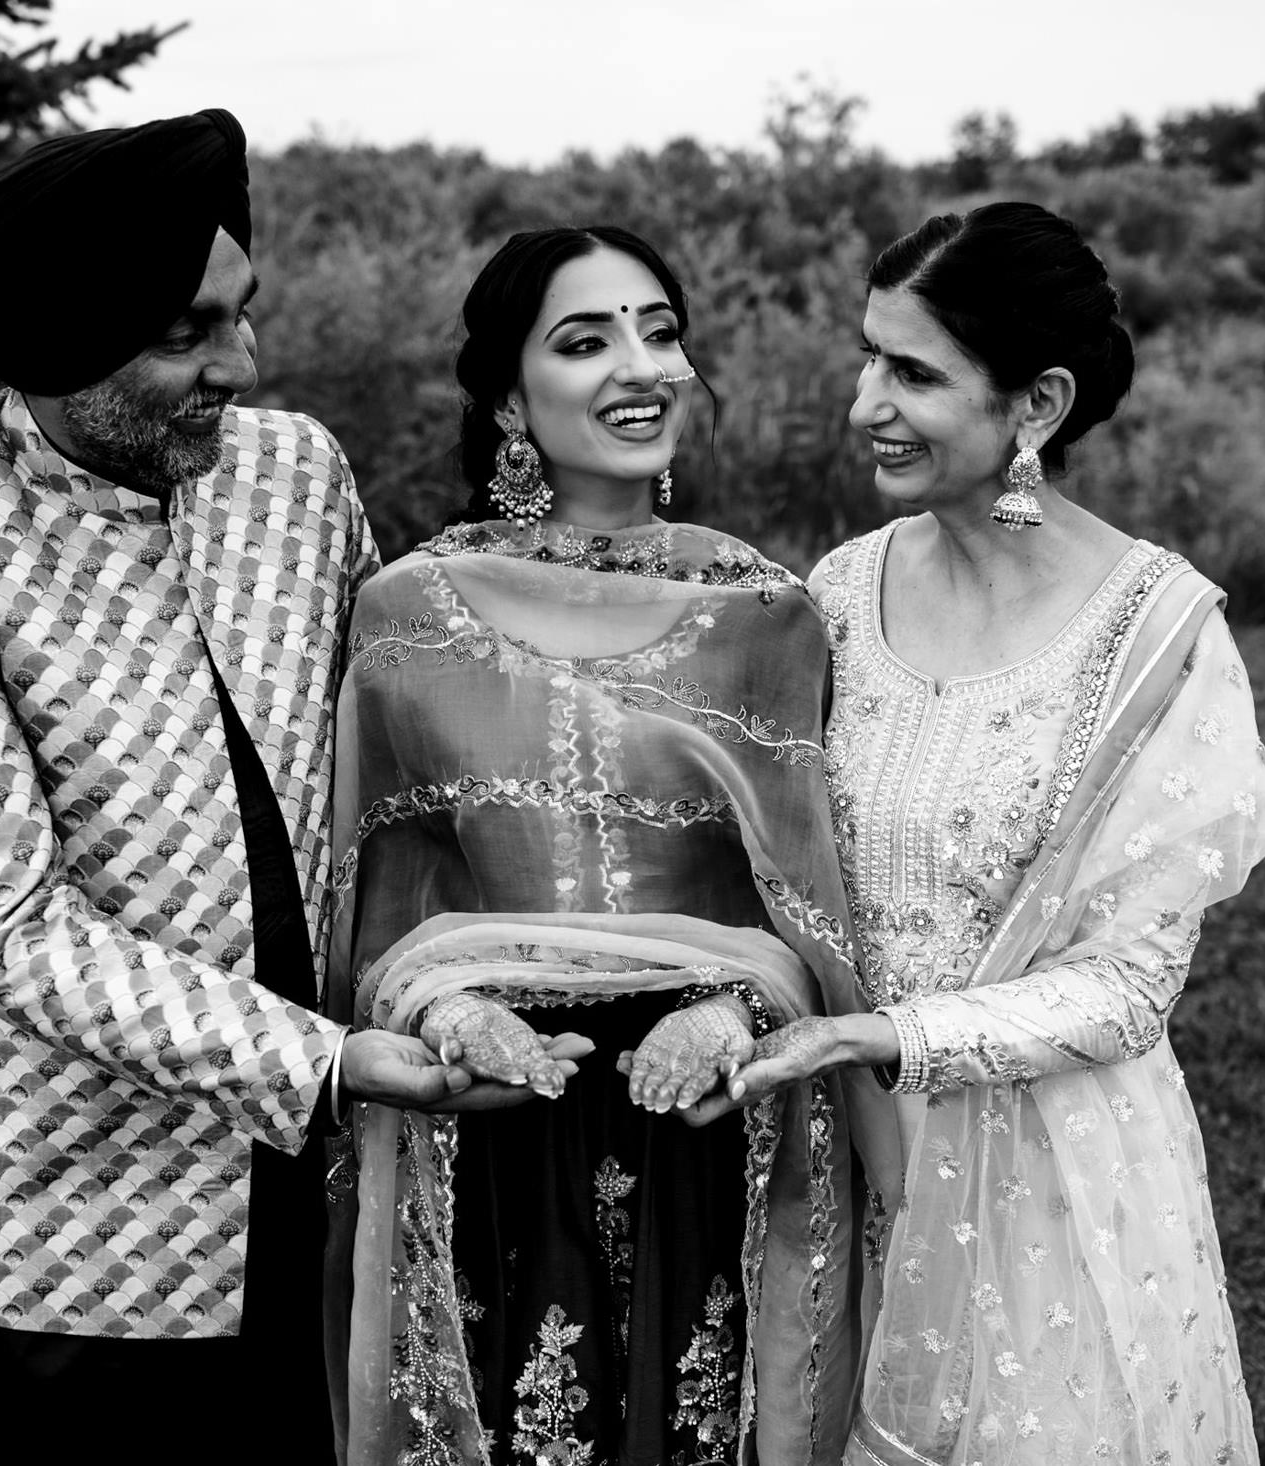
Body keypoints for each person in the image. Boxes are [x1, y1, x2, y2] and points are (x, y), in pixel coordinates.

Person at [0, 109, 575, 1462]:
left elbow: (391, 766)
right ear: (57, 346)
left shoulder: (295, 472)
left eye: (242, 310)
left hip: (343, 1158)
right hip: (91, 1224)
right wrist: (321, 1061)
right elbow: (2, 929)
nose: (243, 360)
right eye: (188, 333)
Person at [692, 203, 1265, 1463]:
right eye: (869, 357)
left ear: (1038, 402)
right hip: (849, 1153)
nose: (864, 403)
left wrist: (888, 1036)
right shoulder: (841, 591)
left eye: (913, 373)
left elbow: (1130, 987)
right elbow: (784, 870)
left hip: (1049, 1178)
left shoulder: (1155, 634)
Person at [323, 226, 870, 1466]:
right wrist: (452, 1012)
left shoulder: (766, 614)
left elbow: (812, 908)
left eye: (660, 330)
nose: (642, 365)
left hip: (708, 1119)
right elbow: (377, 900)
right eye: (585, 341)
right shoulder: (409, 614)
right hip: (487, 1115)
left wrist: (733, 1010)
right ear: (509, 402)